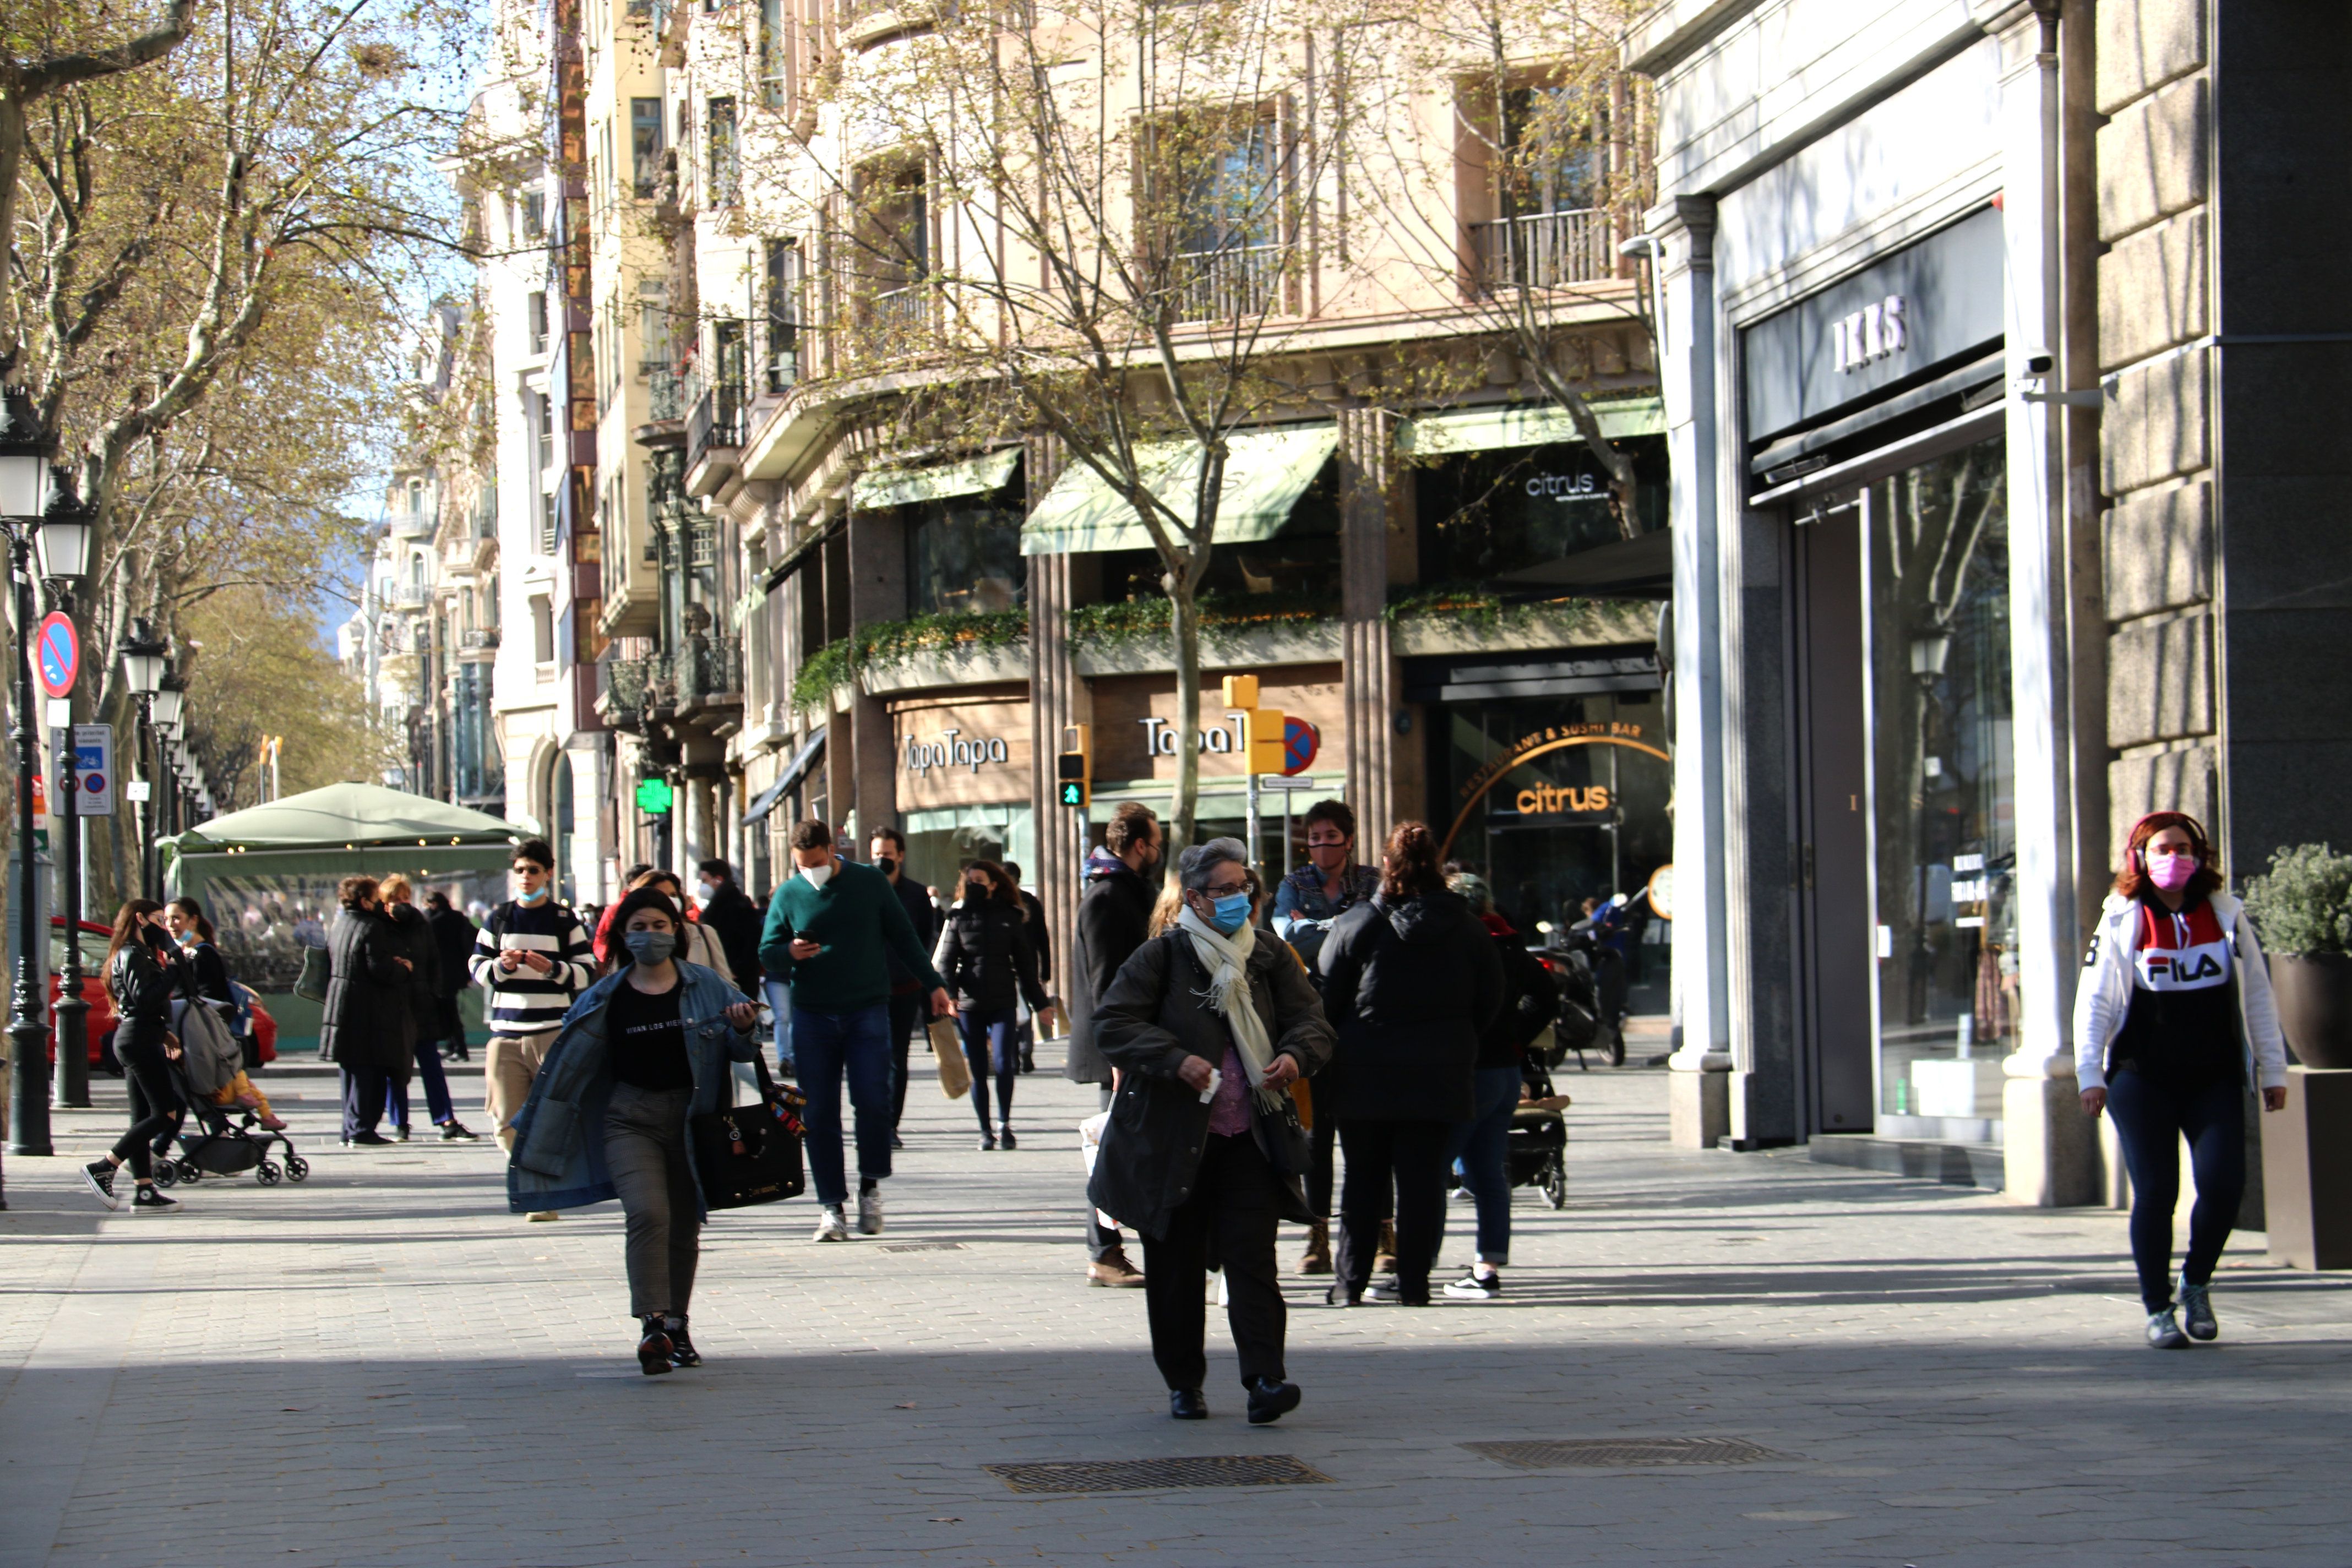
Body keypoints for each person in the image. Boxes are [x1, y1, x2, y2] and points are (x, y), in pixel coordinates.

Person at [1091, 837, 1335, 1423]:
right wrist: (1174, 1058)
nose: (1238, 900)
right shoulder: (1163, 957)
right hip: (1173, 1141)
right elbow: (1113, 1023)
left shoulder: (1269, 955)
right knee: (1174, 1269)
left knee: (1253, 1261)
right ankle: (1184, 1382)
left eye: (1244, 887)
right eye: (1224, 890)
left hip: (1248, 1136)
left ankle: (1265, 1381)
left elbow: (1313, 1021)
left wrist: (1296, 1056)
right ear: (1195, 899)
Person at [506, 886, 761, 1374]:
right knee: (648, 1213)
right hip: (629, 1119)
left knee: (684, 1226)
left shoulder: (706, 986)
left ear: (677, 932)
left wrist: (744, 1029)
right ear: (623, 935)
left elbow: (744, 1054)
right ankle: (653, 1324)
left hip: (692, 1122)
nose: (650, 936)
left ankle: (678, 1327)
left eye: (660, 926)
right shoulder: (607, 994)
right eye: (639, 928)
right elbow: (568, 1065)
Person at [2075, 811, 2289, 1349]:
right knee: (2157, 1191)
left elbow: (2258, 996)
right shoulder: (2124, 916)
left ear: (2201, 855)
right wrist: (2088, 1073)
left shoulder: (2224, 915)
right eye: (2162, 849)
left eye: (2184, 848)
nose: (2174, 858)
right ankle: (2156, 1307)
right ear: (2139, 858)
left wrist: (2272, 1068)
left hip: (2213, 1075)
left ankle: (2195, 1283)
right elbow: (2096, 1001)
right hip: (2140, 1076)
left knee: (2223, 1184)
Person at [1317, 822, 1502, 1306]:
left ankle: (1349, 1283)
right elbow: (1489, 1002)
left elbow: (1328, 1000)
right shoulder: (1468, 930)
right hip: (1439, 1076)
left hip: (1364, 1076)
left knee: (1362, 1182)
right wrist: (1456, 1043)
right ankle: (1415, 1284)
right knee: (1423, 1184)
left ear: (1387, 864)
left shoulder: (1357, 925)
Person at [759, 818, 952, 1243]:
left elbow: (904, 937)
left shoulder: (868, 882)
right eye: (802, 865)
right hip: (813, 1015)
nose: (811, 871)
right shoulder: (791, 893)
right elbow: (767, 953)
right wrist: (788, 952)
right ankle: (831, 1206)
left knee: (873, 1100)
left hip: (866, 1008)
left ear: (832, 849)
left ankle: (870, 1187)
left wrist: (934, 985)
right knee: (820, 1112)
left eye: (816, 862)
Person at [1270, 798, 1382, 1275]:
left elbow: (1383, 934)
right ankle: (1317, 1235)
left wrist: (1315, 928)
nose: (1320, 848)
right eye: (1313, 839)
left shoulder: (1373, 882)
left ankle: (1383, 1232)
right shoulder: (1293, 883)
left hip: (1365, 1022)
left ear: (1349, 840)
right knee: (1315, 1137)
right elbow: (1286, 938)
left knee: (1372, 1135)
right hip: (1312, 1022)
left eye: (1330, 838)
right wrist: (1345, 927)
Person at [1439, 873, 1557, 1301]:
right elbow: (1547, 997)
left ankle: (1415, 1267)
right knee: (1489, 1175)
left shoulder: (1464, 946)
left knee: (1431, 1169)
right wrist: (1517, 1036)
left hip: (1471, 1073)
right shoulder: (1511, 943)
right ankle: (1486, 1269)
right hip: (1506, 1072)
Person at [471, 839, 598, 1211]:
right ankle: (531, 1178)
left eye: (533, 871)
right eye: (520, 871)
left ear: (548, 873)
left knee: (551, 1116)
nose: (526, 878)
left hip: (550, 1034)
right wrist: (501, 966)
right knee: (504, 1121)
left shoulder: (564, 921)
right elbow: (477, 968)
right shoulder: (500, 917)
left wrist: (554, 969)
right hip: (505, 1035)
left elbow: (588, 972)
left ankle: (543, 1194)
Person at [1065, 801, 1161, 1288]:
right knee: (1112, 1150)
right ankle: (1104, 1252)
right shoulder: (1106, 896)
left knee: (1122, 1148)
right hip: (1119, 1050)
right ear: (1139, 845)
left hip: (1131, 1045)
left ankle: (1114, 1249)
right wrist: (1119, 1053)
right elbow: (1105, 983)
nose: (1159, 851)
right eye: (1156, 843)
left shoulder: (1123, 890)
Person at [79, 901, 189, 1212]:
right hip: (138, 1041)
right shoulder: (132, 953)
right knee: (165, 1114)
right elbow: (144, 999)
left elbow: (138, 1003)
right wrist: (174, 971)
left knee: (142, 1118)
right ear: (140, 919)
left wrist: (164, 1033)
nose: (164, 926)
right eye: (158, 919)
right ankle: (105, 1166)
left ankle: (144, 1190)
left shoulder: (136, 954)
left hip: (139, 1037)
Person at [933, 859, 1047, 1150]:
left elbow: (1025, 965)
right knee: (979, 1068)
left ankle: (1004, 1124)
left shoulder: (1010, 917)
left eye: (980, 879)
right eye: (970, 880)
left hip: (1003, 1000)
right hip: (970, 1004)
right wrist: (949, 996)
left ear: (993, 884)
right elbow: (946, 961)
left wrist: (1041, 1003)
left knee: (1004, 1063)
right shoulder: (957, 917)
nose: (974, 884)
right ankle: (985, 1130)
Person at [164, 898, 284, 1132]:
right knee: (189, 1094)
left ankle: (166, 1145)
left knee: (193, 1093)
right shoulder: (183, 953)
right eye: (166, 919)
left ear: (193, 920)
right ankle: (208, 1137)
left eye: (176, 918)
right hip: (191, 1035)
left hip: (203, 1036)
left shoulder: (203, 954)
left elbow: (210, 998)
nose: (171, 924)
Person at [378, 875, 479, 1141]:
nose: (401, 904)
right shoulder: (378, 926)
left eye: (404, 898)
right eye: (395, 899)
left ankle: (445, 1119)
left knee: (432, 1064)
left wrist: (434, 990)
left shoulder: (421, 923)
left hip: (422, 1004)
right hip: (393, 1007)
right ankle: (399, 1123)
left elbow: (434, 959)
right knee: (397, 1068)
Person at [320, 875, 417, 1148]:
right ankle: (363, 1130)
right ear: (365, 901)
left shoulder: (340, 924)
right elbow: (379, 968)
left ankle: (349, 1128)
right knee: (369, 1071)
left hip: (342, 1005)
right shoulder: (371, 926)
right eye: (376, 898)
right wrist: (403, 968)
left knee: (350, 1071)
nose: (380, 904)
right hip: (368, 1010)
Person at [869, 826, 941, 1147]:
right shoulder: (862, 890)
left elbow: (926, 940)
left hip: (904, 988)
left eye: (887, 853)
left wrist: (930, 985)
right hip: (867, 989)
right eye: (876, 854)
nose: (881, 859)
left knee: (898, 1056)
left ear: (900, 855)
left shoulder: (916, 895)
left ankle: (890, 1126)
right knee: (870, 1057)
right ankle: (872, 1120)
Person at [593, 869, 731, 980]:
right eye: (661, 894)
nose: (669, 900)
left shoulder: (704, 934)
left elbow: (726, 984)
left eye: (673, 894)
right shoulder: (631, 937)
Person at [1000, 859, 1052, 1071]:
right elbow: (1043, 937)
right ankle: (1024, 1050)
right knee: (1024, 1008)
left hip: (1011, 964)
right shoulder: (1028, 901)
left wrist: (1046, 968)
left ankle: (1017, 1053)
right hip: (1025, 963)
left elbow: (1041, 935)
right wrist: (1046, 967)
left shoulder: (1010, 902)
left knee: (1014, 1008)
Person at [423, 890, 480, 1062]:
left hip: (442, 974)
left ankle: (458, 1048)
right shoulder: (459, 918)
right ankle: (454, 1047)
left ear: (433, 904)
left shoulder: (434, 922)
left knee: (449, 1013)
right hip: (458, 972)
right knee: (450, 1011)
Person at [695, 858, 765, 991]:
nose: (702, 885)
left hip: (736, 979)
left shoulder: (737, 904)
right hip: (723, 974)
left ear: (718, 879)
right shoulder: (718, 904)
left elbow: (753, 941)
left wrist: (737, 970)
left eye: (705, 880)